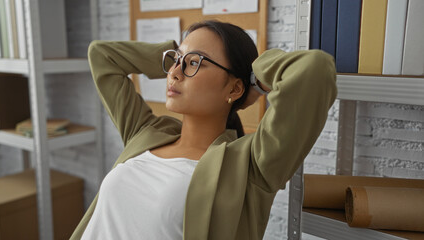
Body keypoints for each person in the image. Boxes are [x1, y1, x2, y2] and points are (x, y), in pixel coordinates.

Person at [70, 20, 337, 240]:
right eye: (176, 61)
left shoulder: (250, 167)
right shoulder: (147, 131)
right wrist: (177, 51)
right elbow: (102, 55)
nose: (174, 72)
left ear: (234, 88)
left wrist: (255, 79)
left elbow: (314, 69)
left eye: (195, 62)